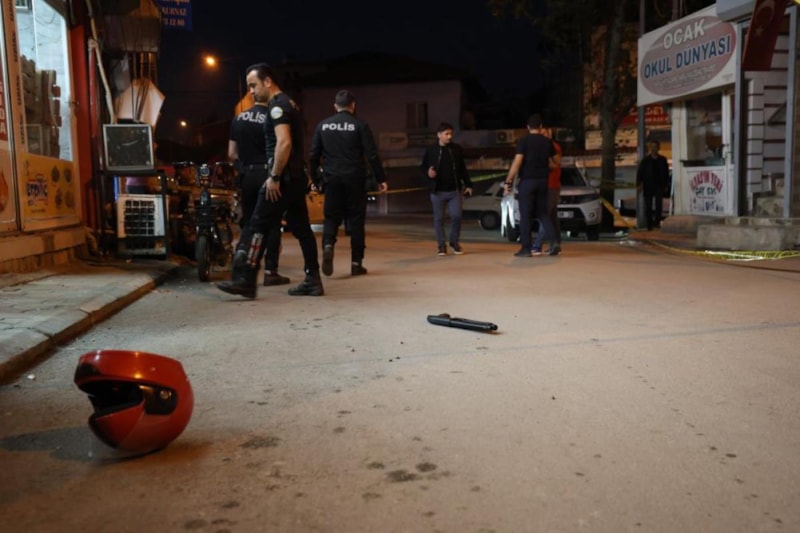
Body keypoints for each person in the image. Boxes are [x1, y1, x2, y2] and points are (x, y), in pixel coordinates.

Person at [217, 63, 323, 298]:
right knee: (302, 229)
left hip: (283, 179)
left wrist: (274, 177)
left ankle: (246, 280)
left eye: (253, 85)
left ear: (268, 81)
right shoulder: (289, 103)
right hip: (295, 177)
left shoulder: (277, 105)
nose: (251, 91)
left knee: (257, 225)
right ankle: (313, 280)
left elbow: (283, 143)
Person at [309, 89, 388, 277]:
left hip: (332, 179)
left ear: (335, 106)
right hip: (355, 179)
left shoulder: (323, 126)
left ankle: (328, 245)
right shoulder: (360, 125)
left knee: (331, 217)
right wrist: (380, 178)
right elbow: (372, 154)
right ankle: (356, 263)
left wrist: (316, 180)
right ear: (353, 106)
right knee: (356, 221)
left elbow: (313, 156)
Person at [228, 100, 289, 286]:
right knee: (272, 222)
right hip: (267, 174)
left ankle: (242, 251)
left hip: (247, 175)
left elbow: (231, 153)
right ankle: (271, 271)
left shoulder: (238, 118)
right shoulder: (272, 117)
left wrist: (245, 163)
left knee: (250, 221)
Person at [504, 114, 559, 257]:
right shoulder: (547, 142)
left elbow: (517, 162)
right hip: (543, 181)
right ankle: (554, 243)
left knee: (526, 215)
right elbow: (556, 162)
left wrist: (508, 181)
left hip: (527, 181)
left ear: (528, 127)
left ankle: (526, 248)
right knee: (543, 213)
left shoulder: (524, 141)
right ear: (541, 127)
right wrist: (546, 166)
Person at [420, 122, 473, 255]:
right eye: (446, 134)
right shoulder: (431, 150)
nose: (449, 137)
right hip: (437, 191)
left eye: (451, 134)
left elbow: (462, 169)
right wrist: (428, 173)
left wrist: (468, 184)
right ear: (439, 135)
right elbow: (422, 167)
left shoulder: (456, 149)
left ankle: (454, 242)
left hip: (454, 191)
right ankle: (441, 246)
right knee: (439, 219)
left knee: (457, 216)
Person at [531, 127, 563, 255]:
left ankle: (537, 245)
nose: (541, 135)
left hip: (550, 186)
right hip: (553, 186)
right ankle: (556, 244)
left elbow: (552, 164)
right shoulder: (553, 147)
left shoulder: (551, 147)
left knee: (544, 216)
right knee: (552, 217)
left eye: (543, 133)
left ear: (549, 135)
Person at [636, 139, 670, 230]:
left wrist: (666, 184)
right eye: (652, 147)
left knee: (659, 205)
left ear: (658, 148)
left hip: (659, 185)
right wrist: (639, 184)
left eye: (655, 147)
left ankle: (657, 223)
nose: (653, 149)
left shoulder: (663, 160)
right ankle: (649, 224)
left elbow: (666, 173)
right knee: (648, 206)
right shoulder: (645, 161)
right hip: (648, 185)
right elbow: (640, 172)